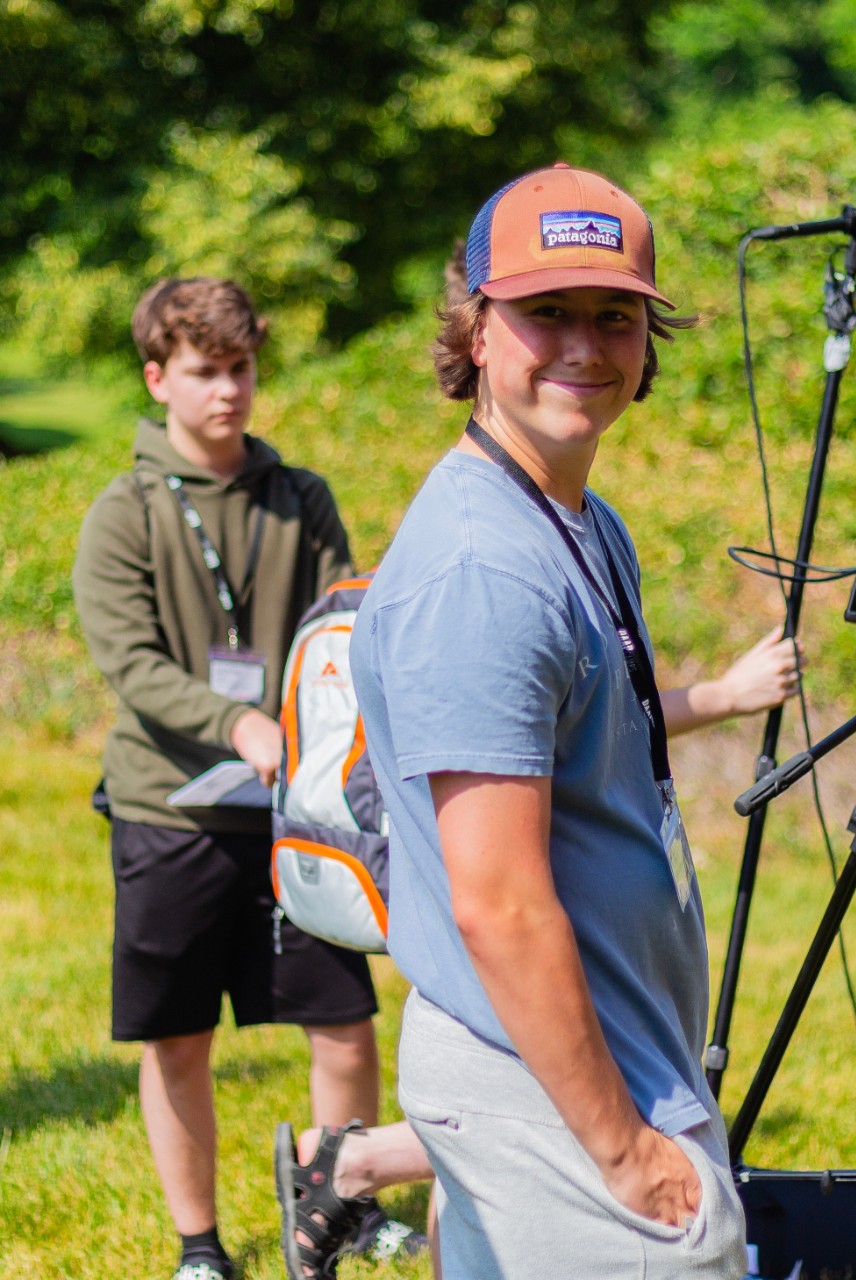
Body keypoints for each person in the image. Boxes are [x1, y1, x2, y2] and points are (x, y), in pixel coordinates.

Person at [347, 162, 776, 1279]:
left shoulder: (573, 518)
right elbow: (497, 903)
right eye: (545, 313)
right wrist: (623, 1148)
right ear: (475, 330)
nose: (584, 346)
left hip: (578, 1048)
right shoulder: (486, 567)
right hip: (555, 1083)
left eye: (613, 315)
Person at [72, 278, 423, 1280]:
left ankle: (346, 1205)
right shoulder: (123, 511)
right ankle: (200, 1244)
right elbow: (130, 662)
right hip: (168, 815)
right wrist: (233, 717)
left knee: (341, 1019)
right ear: (157, 378)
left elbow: (335, 629)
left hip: (293, 813)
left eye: (241, 369)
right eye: (203, 372)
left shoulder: (299, 496)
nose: (227, 390)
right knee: (178, 1035)